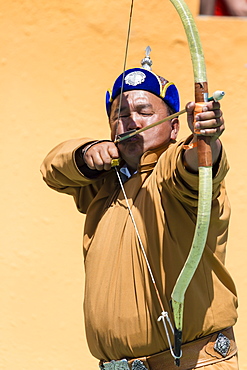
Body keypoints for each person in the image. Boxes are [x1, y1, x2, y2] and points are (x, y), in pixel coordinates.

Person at [41, 54, 239, 369]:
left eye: (144, 111)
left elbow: (197, 168)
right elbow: (53, 169)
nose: (130, 121)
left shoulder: (172, 167)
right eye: (119, 114)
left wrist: (206, 140)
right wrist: (85, 152)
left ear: (174, 127)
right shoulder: (106, 182)